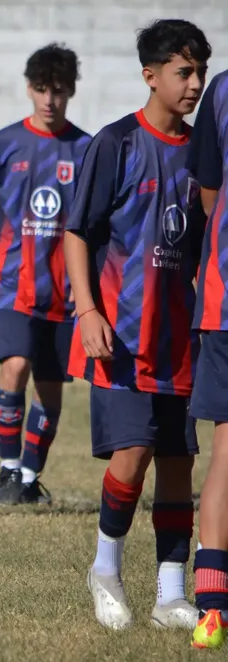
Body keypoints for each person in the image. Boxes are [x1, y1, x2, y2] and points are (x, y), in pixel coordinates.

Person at [63, 19, 209, 631]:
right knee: (133, 453)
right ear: (150, 75)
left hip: (181, 339)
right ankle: (105, 570)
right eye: (183, 72)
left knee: (177, 461)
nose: (195, 84)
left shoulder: (205, 152)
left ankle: (170, 595)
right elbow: (77, 232)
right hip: (120, 336)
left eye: (201, 72)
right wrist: (88, 310)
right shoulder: (116, 143)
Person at [0, 44, 91, 507]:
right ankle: (8, 467)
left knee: (50, 386)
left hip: (65, 292)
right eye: (40, 89)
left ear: (70, 91)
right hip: (12, 283)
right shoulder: (3, 144)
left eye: (58, 91)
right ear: (28, 89)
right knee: (15, 365)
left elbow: (95, 226)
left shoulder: (87, 149)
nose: (49, 100)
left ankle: (30, 477)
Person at [187, 65, 228, 649]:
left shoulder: (220, 89)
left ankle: (212, 610)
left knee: (225, 451)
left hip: (222, 297)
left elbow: (209, 195)